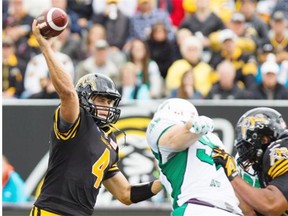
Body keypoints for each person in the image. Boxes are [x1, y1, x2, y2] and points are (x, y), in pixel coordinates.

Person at [30, 20, 162, 216]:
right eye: (101, 99)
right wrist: (46, 47)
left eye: (110, 102)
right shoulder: (77, 119)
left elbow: (126, 194)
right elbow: (67, 92)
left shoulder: (110, 141)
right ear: (84, 98)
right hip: (52, 211)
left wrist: (165, 181)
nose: (106, 106)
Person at [146, 98, 245, 216]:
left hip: (203, 207)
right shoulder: (211, 138)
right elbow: (174, 141)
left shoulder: (209, 137)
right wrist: (193, 127)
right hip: (206, 206)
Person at [213, 107, 288, 215]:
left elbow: (272, 205)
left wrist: (233, 174)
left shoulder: (280, 150)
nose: (246, 151)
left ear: (264, 139)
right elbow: (251, 213)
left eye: (248, 145)